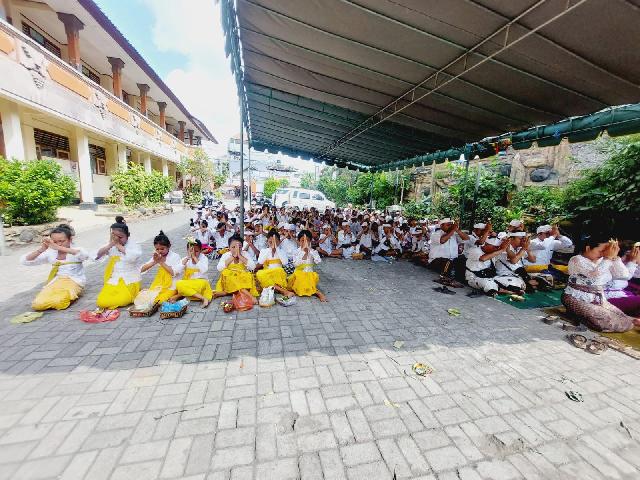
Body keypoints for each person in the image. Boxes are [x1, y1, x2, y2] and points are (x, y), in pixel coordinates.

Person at [562, 235, 639, 332]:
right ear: (588, 248)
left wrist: (615, 257)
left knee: (623, 319)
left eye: (606, 251)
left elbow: (624, 275)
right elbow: (593, 276)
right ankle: (576, 314)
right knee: (608, 322)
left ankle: (578, 316)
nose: (603, 254)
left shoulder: (604, 260)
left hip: (599, 299)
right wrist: (608, 258)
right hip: (575, 298)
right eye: (601, 251)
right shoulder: (576, 260)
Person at [21, 224, 89, 310]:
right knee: (37, 304)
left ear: (70, 239)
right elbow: (26, 261)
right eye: (55, 242)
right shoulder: (51, 253)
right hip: (56, 281)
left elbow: (85, 256)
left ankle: (75, 293)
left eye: (62, 241)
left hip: (74, 281)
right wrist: (42, 249)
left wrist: (58, 248)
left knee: (58, 302)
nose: (59, 244)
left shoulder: (77, 250)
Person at [96, 221, 142, 309]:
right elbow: (98, 255)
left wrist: (117, 244)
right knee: (101, 301)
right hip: (115, 279)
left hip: (130, 279)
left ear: (128, 235)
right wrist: (110, 244)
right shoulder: (111, 244)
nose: (117, 239)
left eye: (120, 237)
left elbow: (133, 257)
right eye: (114, 236)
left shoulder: (134, 245)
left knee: (122, 300)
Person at [138, 231, 183, 305]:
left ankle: (177, 295)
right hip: (159, 282)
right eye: (157, 249)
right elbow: (141, 269)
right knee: (148, 298)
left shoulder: (175, 256)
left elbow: (173, 273)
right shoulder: (158, 256)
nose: (159, 251)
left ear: (169, 246)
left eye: (162, 249)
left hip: (172, 284)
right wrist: (154, 262)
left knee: (160, 300)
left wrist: (161, 262)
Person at [213, 234, 258, 299]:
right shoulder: (226, 255)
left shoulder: (245, 254)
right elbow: (219, 268)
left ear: (242, 247)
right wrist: (233, 256)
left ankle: (227, 292)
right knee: (228, 275)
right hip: (230, 278)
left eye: (239, 247)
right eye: (233, 247)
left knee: (249, 276)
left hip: (242, 277)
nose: (237, 249)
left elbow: (253, 267)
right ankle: (250, 297)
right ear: (229, 247)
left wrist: (240, 256)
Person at [288, 229, 327, 301]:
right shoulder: (296, 251)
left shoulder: (313, 251)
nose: (305, 243)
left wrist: (310, 252)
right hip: (299, 273)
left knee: (309, 286)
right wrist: (305, 254)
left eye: (307, 240)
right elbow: (296, 264)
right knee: (297, 287)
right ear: (299, 241)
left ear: (310, 241)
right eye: (303, 240)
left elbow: (318, 261)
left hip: (309, 274)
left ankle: (318, 293)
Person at [173, 239, 213, 307]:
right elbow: (176, 271)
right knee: (178, 284)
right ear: (188, 251)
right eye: (191, 251)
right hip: (189, 284)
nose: (193, 253)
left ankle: (181, 295)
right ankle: (203, 298)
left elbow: (204, 270)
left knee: (183, 287)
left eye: (196, 251)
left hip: (201, 283)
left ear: (201, 250)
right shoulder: (186, 259)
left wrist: (194, 258)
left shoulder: (204, 258)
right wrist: (187, 258)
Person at [604, 243, 640, 318]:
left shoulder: (624, 264)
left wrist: (637, 262)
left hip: (618, 293)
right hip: (607, 298)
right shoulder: (612, 262)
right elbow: (626, 276)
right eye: (628, 255)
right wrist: (633, 261)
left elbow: (637, 274)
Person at [256, 230, 295, 298]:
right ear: (267, 242)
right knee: (259, 274)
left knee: (278, 271)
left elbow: (285, 262)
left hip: (278, 274)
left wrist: (276, 249)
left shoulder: (281, 251)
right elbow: (260, 261)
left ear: (279, 242)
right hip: (267, 274)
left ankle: (276, 289)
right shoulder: (264, 251)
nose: (273, 244)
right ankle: (283, 291)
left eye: (275, 242)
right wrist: (270, 249)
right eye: (270, 242)